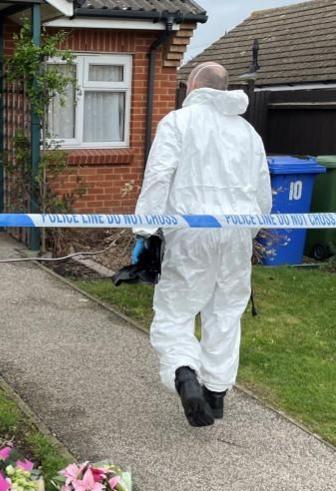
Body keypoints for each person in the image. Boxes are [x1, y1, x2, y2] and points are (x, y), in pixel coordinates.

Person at [134, 62, 272, 427]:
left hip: (190, 233)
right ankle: (217, 393)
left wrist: (146, 232)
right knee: (225, 313)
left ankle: (185, 375)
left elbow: (158, 177)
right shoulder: (248, 133)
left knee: (176, 311)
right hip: (237, 235)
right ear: (225, 89)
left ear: (193, 85)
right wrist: (249, 233)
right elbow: (264, 198)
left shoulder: (178, 123)